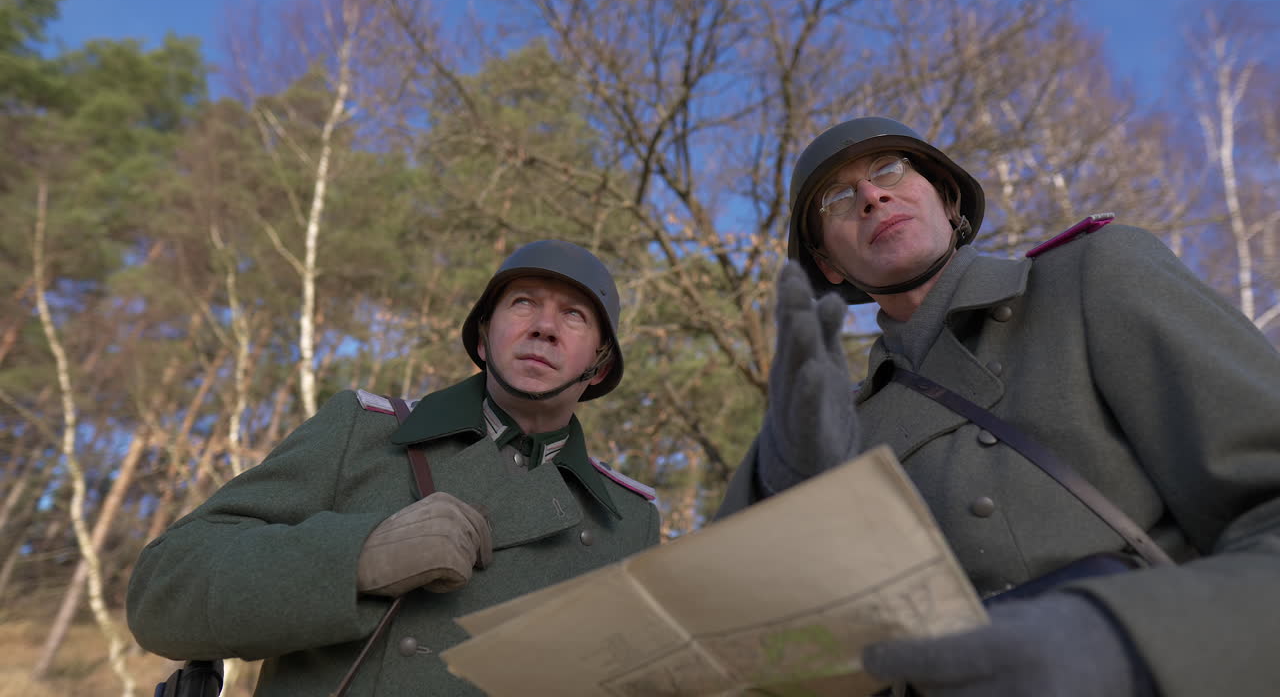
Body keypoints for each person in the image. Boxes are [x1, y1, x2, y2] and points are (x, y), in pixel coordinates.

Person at [717, 117, 1280, 696]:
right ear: (830, 265)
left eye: (889, 169)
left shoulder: (1094, 275)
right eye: (837, 199)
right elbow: (775, 638)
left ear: (946, 196)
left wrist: (1128, 640)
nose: (871, 196)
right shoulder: (842, 430)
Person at [127, 240, 661, 697]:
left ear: (600, 365)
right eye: (523, 303)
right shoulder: (364, 431)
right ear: (482, 337)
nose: (545, 327)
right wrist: (356, 558)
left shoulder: (629, 521)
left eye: (574, 315)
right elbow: (163, 590)